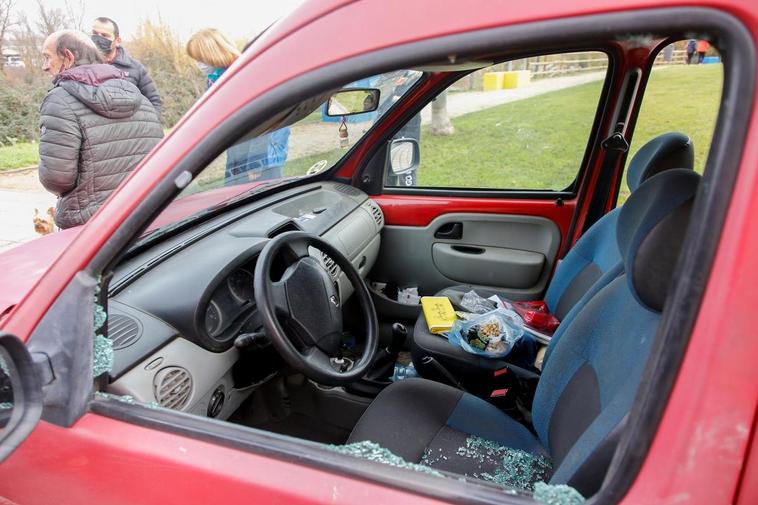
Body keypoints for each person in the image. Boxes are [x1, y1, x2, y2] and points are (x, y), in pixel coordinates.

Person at [38, 30, 163, 229]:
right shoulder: (138, 95)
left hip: (90, 227)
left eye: (47, 57)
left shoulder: (59, 100)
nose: (45, 67)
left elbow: (57, 179)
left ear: (68, 56)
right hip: (143, 216)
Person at [186, 28, 290, 185]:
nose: (199, 64)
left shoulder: (244, 76)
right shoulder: (216, 79)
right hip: (238, 151)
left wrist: (255, 163)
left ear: (212, 54)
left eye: (200, 59)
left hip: (260, 156)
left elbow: (264, 121)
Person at [91, 17, 162, 115]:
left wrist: (149, 126)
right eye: (95, 33)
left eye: (104, 35)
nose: (98, 38)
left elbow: (154, 101)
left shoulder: (135, 68)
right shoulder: (82, 66)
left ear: (117, 41)